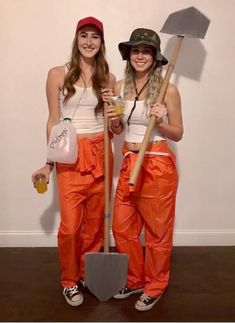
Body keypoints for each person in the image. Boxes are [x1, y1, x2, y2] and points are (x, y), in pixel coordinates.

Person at [32, 16, 116, 307]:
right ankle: (69, 280)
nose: (89, 42)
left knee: (95, 225)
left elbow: (113, 127)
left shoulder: (108, 78)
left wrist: (112, 107)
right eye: (84, 36)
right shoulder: (57, 73)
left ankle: (85, 273)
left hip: (101, 153)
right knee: (70, 226)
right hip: (70, 156)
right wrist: (48, 162)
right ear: (76, 39)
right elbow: (53, 120)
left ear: (101, 43)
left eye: (95, 37)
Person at [107, 28, 183, 311]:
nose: (140, 56)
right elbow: (116, 129)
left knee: (157, 232)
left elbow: (177, 133)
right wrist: (113, 120)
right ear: (129, 55)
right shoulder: (119, 89)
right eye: (136, 50)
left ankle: (155, 285)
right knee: (122, 227)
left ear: (155, 56)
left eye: (146, 51)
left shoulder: (168, 91)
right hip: (130, 161)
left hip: (157, 163)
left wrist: (161, 121)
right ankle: (135, 278)